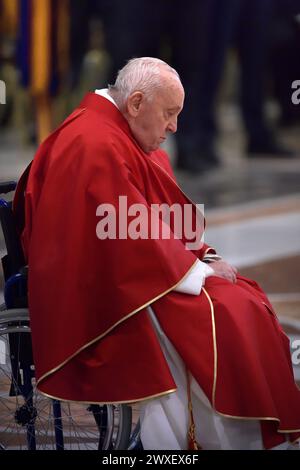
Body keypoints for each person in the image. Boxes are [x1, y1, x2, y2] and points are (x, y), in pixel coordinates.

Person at [14, 57, 300, 450]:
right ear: (135, 104)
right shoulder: (94, 143)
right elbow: (118, 236)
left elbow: (139, 216)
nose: (173, 127)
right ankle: (227, 440)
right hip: (102, 288)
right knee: (229, 312)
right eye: (169, 113)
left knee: (242, 298)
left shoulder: (113, 129)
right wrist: (195, 271)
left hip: (130, 268)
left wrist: (200, 256)